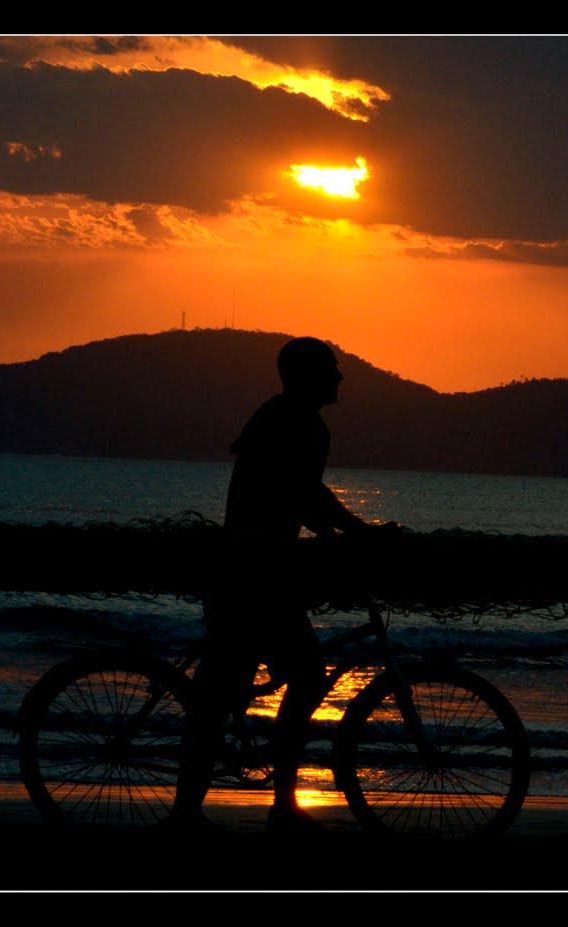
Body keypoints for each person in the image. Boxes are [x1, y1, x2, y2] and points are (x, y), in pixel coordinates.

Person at [174, 336, 374, 833]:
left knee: (222, 695)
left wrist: (337, 528)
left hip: (248, 572)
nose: (340, 378)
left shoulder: (282, 417)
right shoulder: (298, 424)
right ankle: (281, 805)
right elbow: (303, 494)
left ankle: (201, 810)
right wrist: (356, 532)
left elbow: (298, 498)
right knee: (302, 676)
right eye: (331, 368)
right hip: (252, 577)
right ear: (307, 376)